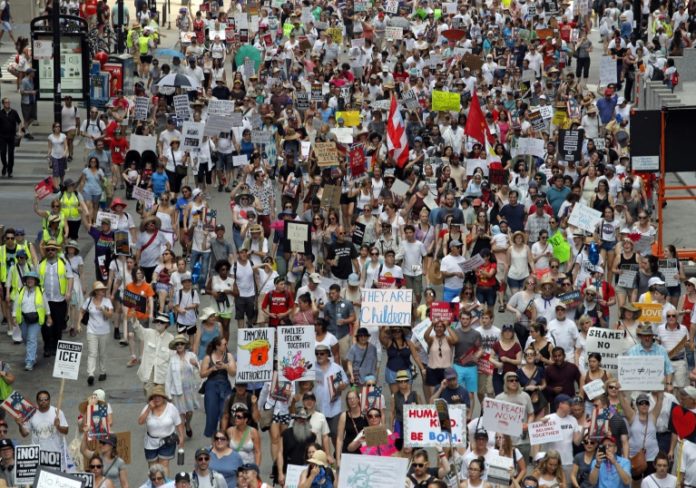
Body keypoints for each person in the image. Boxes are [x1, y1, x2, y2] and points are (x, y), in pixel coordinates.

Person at [138, 385, 185, 475]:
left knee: (164, 466)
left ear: (164, 398)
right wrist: (149, 409)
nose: (157, 399)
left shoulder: (171, 408)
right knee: (153, 468)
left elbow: (178, 424)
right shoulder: (148, 407)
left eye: (159, 396)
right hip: (150, 443)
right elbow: (140, 421)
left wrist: (181, 437)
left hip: (168, 441)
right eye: (154, 397)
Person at [16, 390, 69, 469]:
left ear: (49, 400)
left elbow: (66, 431)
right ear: (37, 401)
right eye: (41, 400)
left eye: (46, 399)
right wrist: (20, 425)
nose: (43, 401)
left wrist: (58, 426)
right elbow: (24, 434)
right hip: (37, 456)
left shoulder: (57, 412)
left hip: (55, 454)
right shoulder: (31, 413)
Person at [37, 239, 73, 357]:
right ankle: (47, 347)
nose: (50, 251)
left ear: (56, 251)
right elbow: (36, 281)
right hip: (45, 301)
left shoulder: (63, 262)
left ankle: (57, 347)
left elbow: (70, 277)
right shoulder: (41, 264)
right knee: (45, 326)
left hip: (59, 300)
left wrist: (68, 292)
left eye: (53, 249)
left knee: (58, 325)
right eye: (48, 249)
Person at [199, 336, 237, 438]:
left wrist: (225, 366)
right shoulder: (208, 357)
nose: (226, 346)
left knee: (225, 413)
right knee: (211, 414)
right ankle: (213, 440)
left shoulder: (228, 356)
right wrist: (212, 369)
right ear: (217, 346)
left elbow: (233, 372)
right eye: (224, 344)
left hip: (225, 386)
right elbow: (202, 374)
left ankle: (223, 436)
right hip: (211, 386)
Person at [165, 334, 200, 439]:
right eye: (177, 344)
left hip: (189, 389)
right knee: (180, 412)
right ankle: (181, 434)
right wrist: (168, 395)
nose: (179, 345)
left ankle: (187, 424)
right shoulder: (172, 359)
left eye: (181, 343)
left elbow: (199, 373)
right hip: (176, 390)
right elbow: (168, 378)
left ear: (185, 345)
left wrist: (196, 365)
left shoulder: (192, 356)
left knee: (189, 412)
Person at [13, 270, 49, 370]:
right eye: (28, 279)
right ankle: (32, 355)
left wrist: (48, 316)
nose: (30, 280)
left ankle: (30, 361)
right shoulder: (21, 290)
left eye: (32, 279)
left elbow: (45, 304)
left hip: (36, 319)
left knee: (31, 338)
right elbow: (16, 303)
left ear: (35, 281)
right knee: (25, 337)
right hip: (23, 318)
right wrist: (14, 316)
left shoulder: (41, 290)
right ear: (25, 280)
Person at [80, 281, 114, 386]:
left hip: (104, 331)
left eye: (103, 290)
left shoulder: (107, 301)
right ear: (95, 292)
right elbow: (81, 311)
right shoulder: (88, 301)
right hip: (91, 330)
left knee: (102, 352)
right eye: (100, 290)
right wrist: (77, 324)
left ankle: (103, 371)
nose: (102, 291)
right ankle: (91, 373)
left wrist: (103, 310)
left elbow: (110, 315)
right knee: (92, 353)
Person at [276, 408, 317, 487]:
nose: (302, 421)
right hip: (289, 471)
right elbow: (280, 453)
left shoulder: (312, 436)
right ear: (295, 419)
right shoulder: (285, 434)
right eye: (299, 419)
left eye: (304, 419)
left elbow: (315, 454)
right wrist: (280, 473)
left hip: (306, 470)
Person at [0, 97, 21, 177]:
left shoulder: (14, 112)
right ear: (3, 104)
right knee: (2, 152)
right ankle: (5, 165)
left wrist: (19, 131)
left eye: (9, 102)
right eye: (6, 102)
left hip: (11, 136)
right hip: (2, 136)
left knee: (11, 154)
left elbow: (19, 122)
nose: (8, 103)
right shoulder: (0, 113)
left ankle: (10, 170)